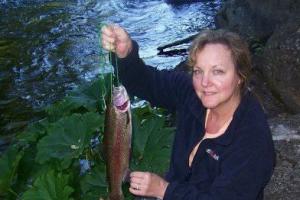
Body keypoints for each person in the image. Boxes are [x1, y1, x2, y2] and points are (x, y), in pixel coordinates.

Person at [101, 24, 275, 200]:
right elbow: (148, 82)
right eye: (198, 71)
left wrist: (164, 190)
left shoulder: (253, 139)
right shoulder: (191, 93)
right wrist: (126, 53)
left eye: (218, 71)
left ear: (240, 76)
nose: (205, 82)